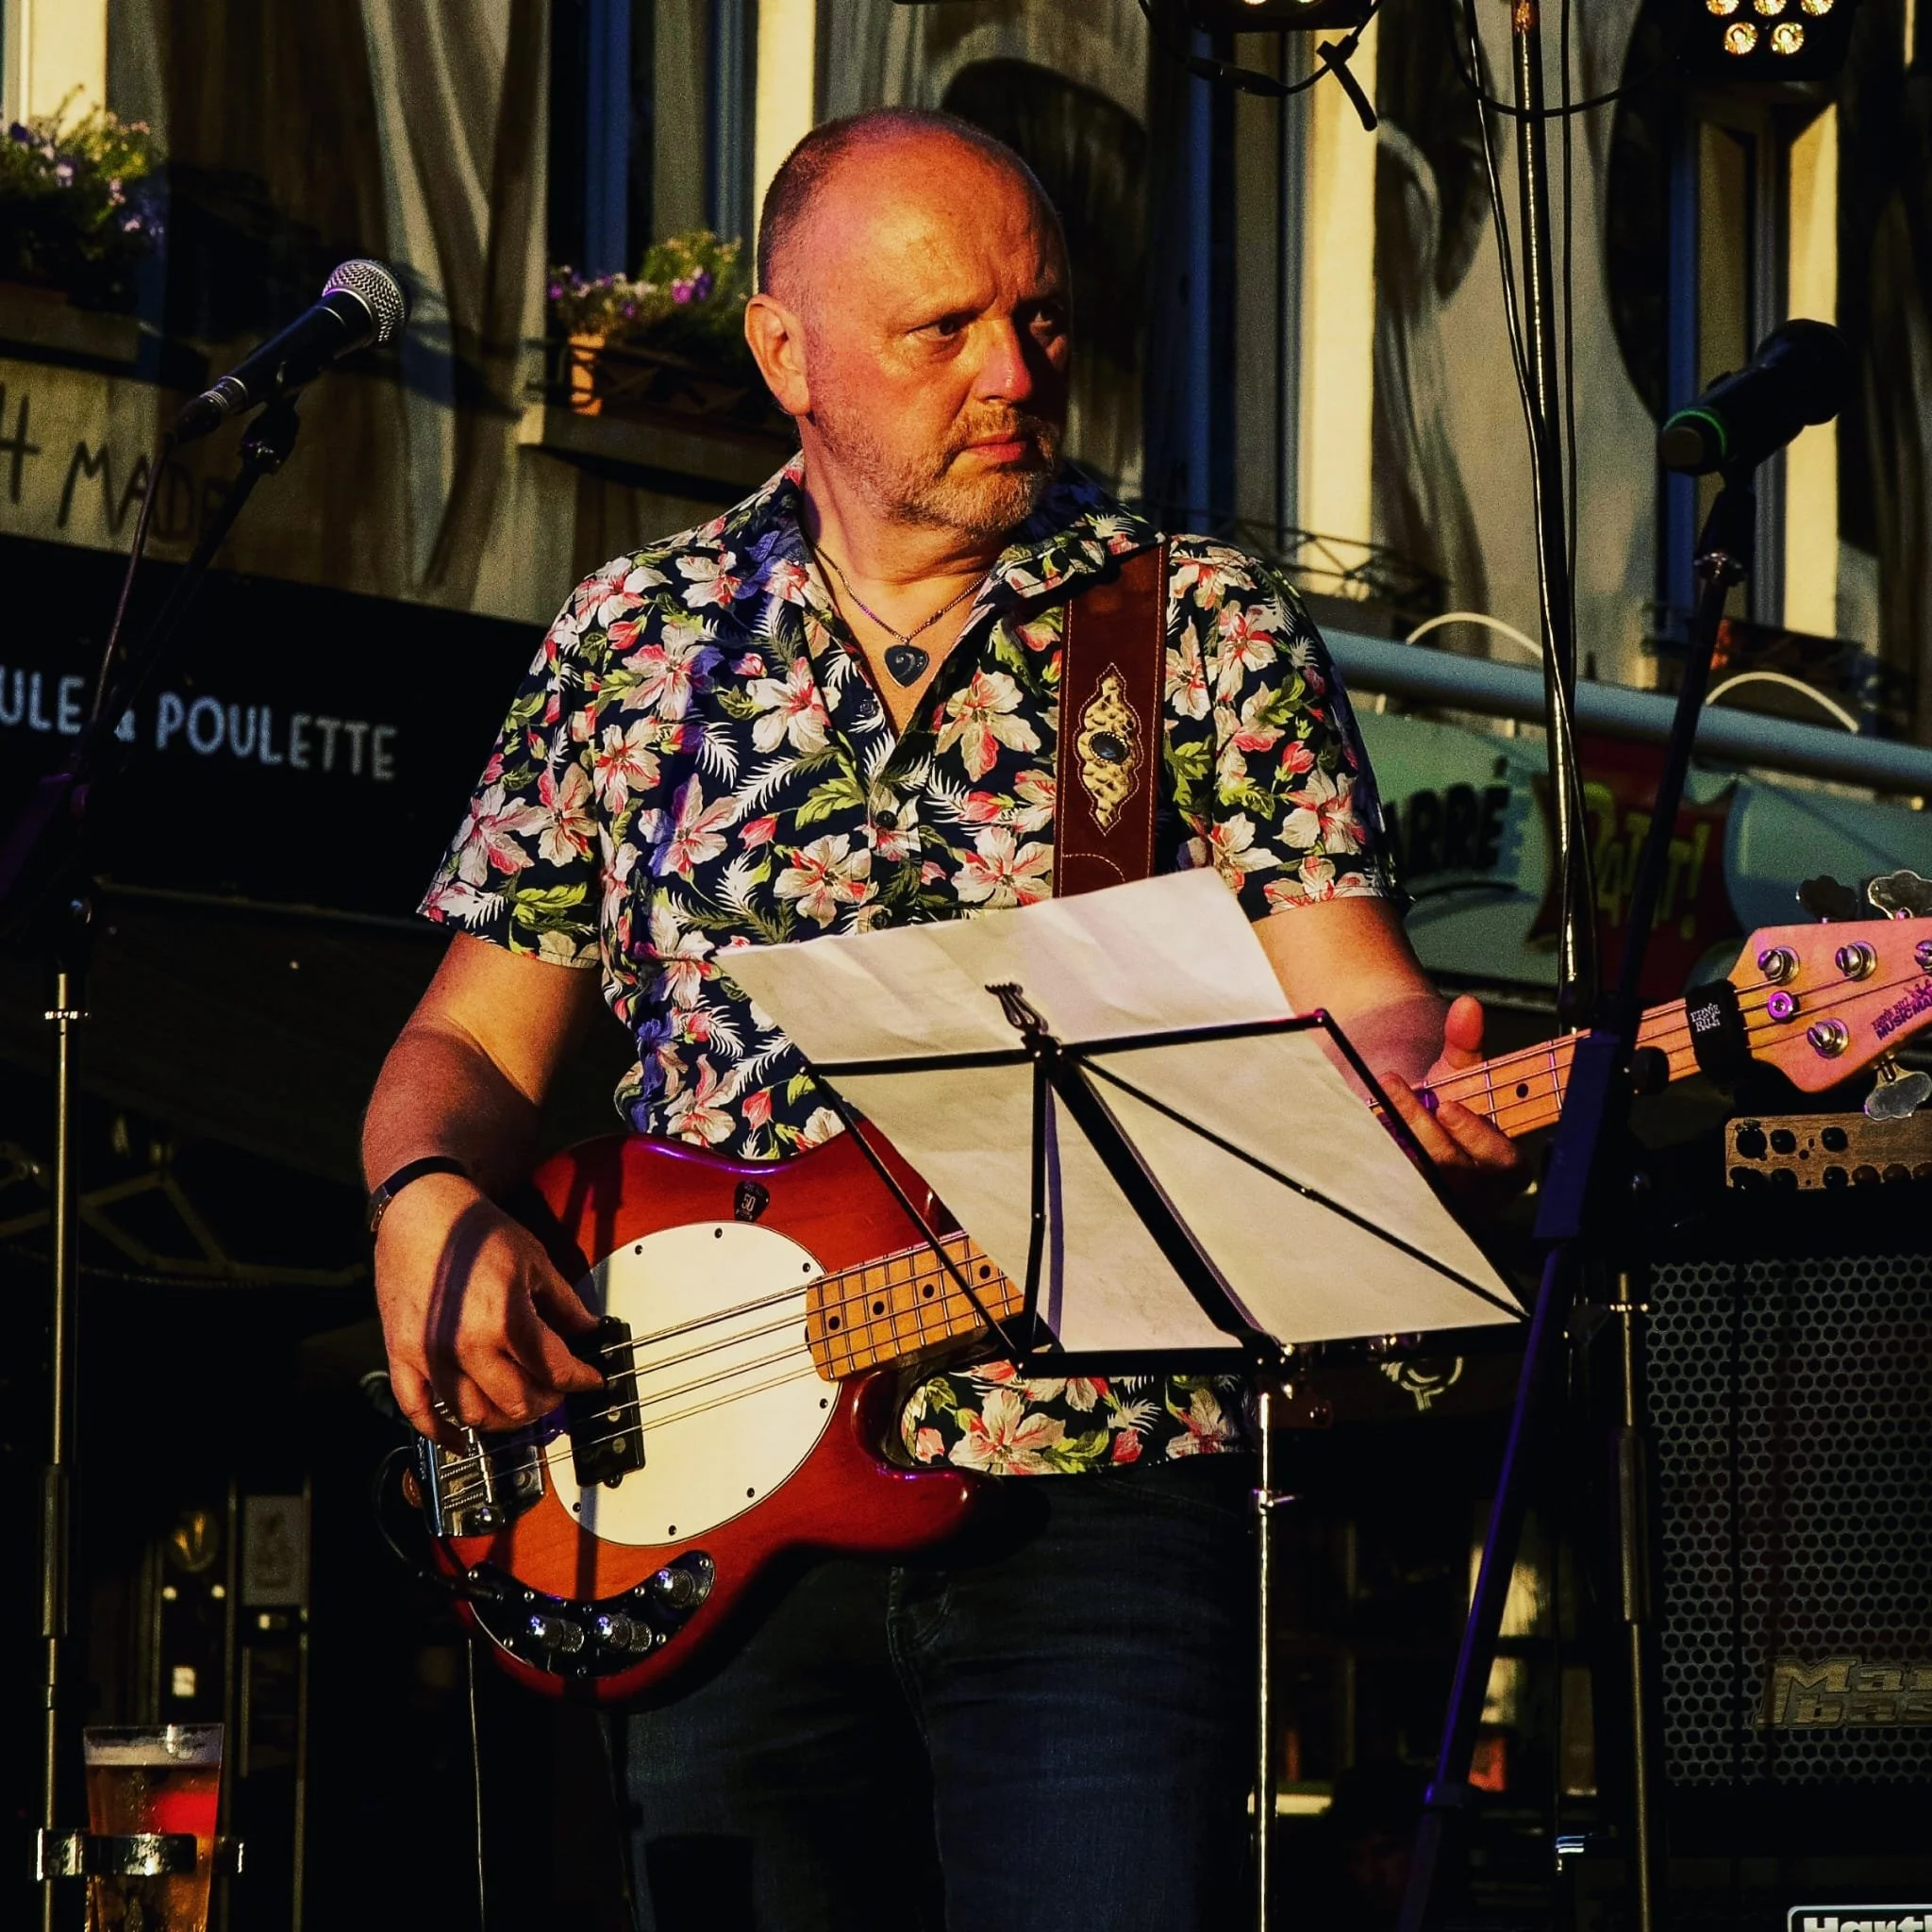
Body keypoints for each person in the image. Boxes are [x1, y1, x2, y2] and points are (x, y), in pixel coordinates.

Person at [362, 108, 1522, 1932]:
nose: (1013, 371)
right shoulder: (636, 643)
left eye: (1041, 320)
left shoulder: (1190, 624)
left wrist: (1416, 1084)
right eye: (942, 330)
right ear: (782, 351)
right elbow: (477, 1045)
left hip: (1102, 1498)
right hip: (709, 1507)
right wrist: (425, 1193)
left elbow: (1355, 995)